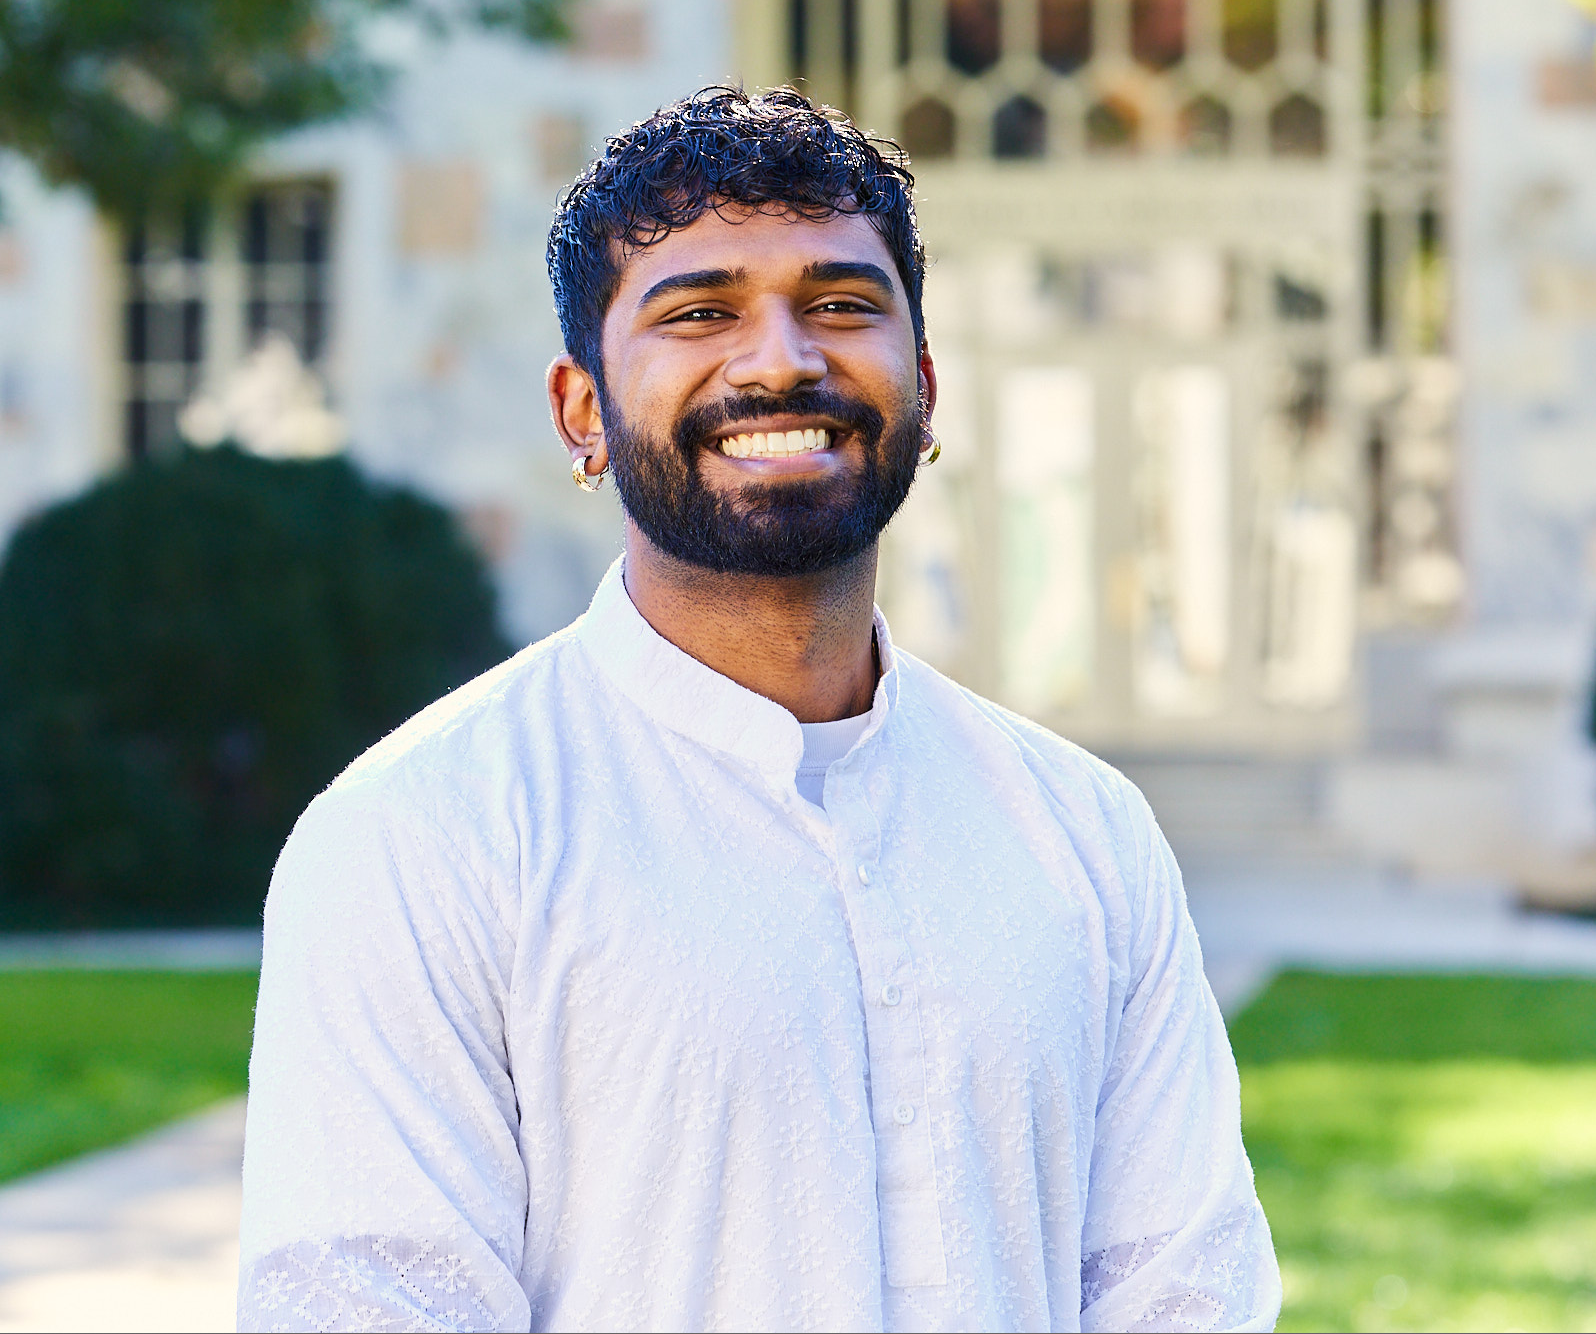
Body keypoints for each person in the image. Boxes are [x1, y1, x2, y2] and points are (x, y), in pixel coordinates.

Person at [237, 86, 1281, 1332]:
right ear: (583, 409)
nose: (783, 358)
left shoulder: (1087, 832)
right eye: (701, 311)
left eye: (841, 304)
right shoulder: (421, 838)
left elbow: (1185, 1294)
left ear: (927, 385)